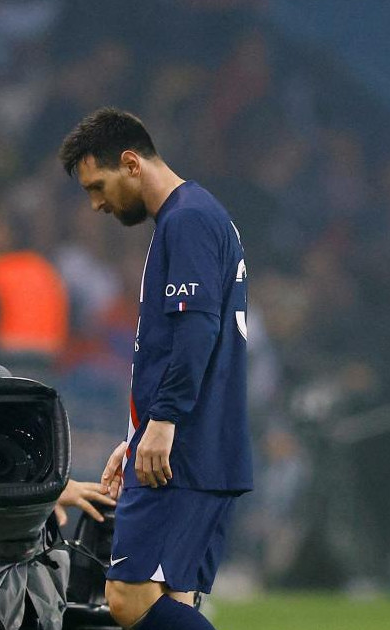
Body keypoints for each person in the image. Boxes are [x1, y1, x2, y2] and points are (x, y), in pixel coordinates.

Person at [58, 108, 252, 630]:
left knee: (128, 598)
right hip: (195, 440)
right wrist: (142, 428)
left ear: (130, 163)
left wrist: (162, 421)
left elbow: (195, 332)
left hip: (183, 448)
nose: (96, 203)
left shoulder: (186, 220)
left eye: (98, 186)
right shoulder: (197, 214)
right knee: (175, 598)